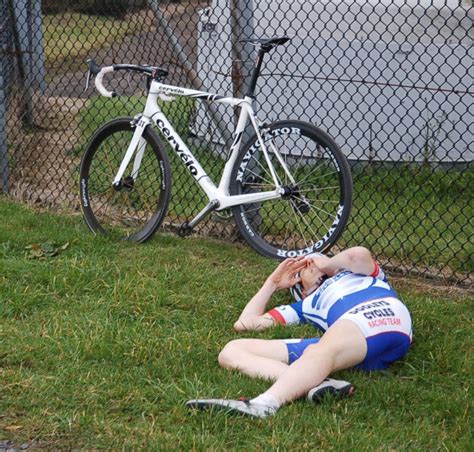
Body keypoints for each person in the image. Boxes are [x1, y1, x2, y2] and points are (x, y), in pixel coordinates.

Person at [187, 247, 413, 418]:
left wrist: (330, 264)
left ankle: (264, 404)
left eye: (314, 259)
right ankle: (318, 383)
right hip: (351, 341)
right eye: (304, 266)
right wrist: (273, 283)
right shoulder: (306, 304)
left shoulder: (361, 274)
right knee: (232, 351)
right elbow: (245, 323)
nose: (311, 263)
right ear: (300, 289)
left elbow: (357, 254)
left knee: (320, 350)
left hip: (381, 315)